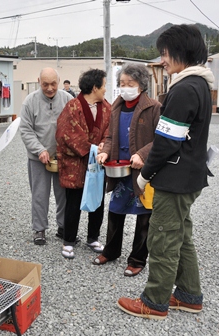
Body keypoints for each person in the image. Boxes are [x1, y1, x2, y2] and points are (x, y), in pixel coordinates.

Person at [117, 24, 214, 320]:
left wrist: (144, 175)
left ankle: (154, 301)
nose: (163, 60)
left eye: (165, 53)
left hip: (174, 178)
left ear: (180, 52)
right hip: (190, 176)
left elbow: (166, 142)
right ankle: (188, 294)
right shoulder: (201, 86)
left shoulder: (184, 89)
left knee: (162, 239)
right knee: (181, 236)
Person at [92, 63, 161, 276]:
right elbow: (111, 136)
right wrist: (105, 152)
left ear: (141, 85)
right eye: (122, 83)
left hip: (143, 172)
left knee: (144, 216)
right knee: (115, 210)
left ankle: (138, 259)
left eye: (130, 84)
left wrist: (142, 154)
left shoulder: (154, 107)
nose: (125, 87)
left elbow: (161, 139)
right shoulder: (116, 106)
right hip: (120, 169)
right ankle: (111, 251)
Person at [56, 69, 111, 259]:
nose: (105, 89)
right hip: (76, 163)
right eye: (103, 86)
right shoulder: (72, 106)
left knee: (98, 200)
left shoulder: (106, 107)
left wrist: (104, 146)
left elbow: (110, 131)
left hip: (98, 161)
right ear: (95, 87)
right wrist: (93, 149)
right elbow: (66, 133)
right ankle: (69, 240)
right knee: (74, 201)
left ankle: (93, 237)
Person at [19, 67, 73, 245]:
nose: (49, 88)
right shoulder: (30, 101)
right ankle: (39, 229)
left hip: (62, 157)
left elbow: (75, 127)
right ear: (38, 82)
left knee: (64, 194)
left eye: (53, 84)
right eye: (45, 84)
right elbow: (26, 130)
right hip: (38, 158)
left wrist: (66, 150)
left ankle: (64, 226)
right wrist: (39, 149)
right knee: (39, 195)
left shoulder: (68, 99)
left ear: (59, 82)